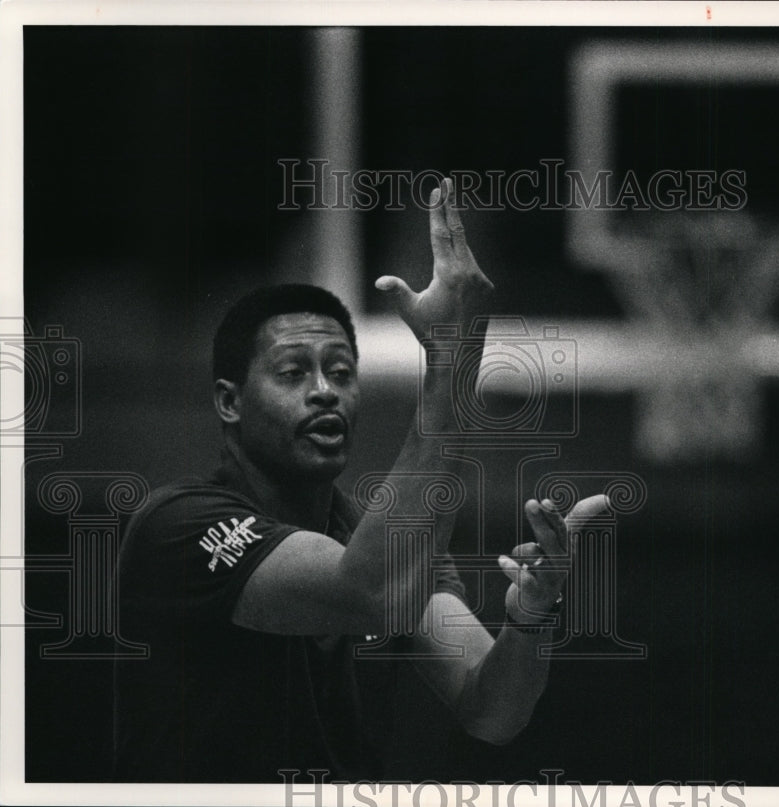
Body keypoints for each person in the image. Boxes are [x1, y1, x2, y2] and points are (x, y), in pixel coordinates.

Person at [113, 178, 608, 782]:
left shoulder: (387, 546)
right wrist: (454, 355)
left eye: (341, 371)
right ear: (229, 402)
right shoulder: (179, 526)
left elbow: (492, 710)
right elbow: (365, 591)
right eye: (293, 372)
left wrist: (533, 613)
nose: (325, 391)